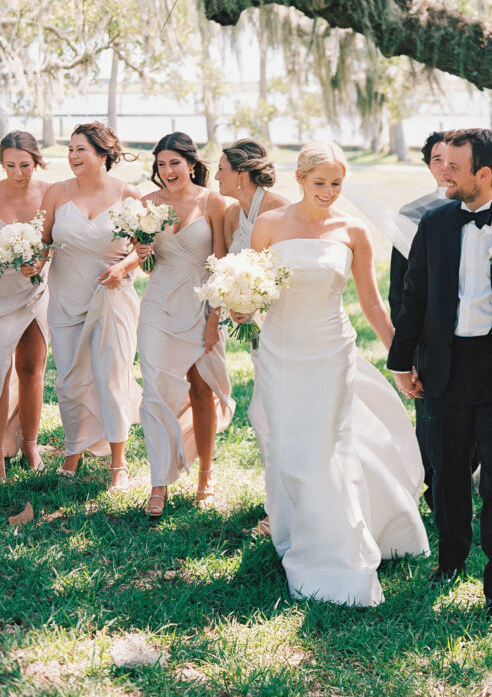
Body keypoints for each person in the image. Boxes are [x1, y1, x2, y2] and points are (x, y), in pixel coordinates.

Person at [239, 140, 429, 606]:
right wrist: (241, 308)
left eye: (337, 184)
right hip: (280, 350)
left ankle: (339, 550)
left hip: (330, 350)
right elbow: (252, 288)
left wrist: (399, 358)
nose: (328, 191)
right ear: (300, 179)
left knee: (328, 446)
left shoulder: (353, 231)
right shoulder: (269, 225)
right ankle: (292, 527)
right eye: (319, 183)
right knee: (286, 444)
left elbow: (371, 302)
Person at [388, 128, 492, 621]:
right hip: (444, 366)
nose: (444, 172)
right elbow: (414, 297)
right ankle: (451, 557)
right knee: (446, 471)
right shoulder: (435, 225)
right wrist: (402, 362)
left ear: (483, 175)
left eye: (455, 167)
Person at [136, 132, 232, 520]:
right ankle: (159, 481)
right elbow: (147, 267)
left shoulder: (213, 202)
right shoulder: (145, 205)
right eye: (161, 164)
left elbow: (222, 267)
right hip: (158, 306)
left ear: (191, 164)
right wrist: (141, 254)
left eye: (174, 162)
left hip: (200, 304)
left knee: (201, 390)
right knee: (156, 392)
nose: (168, 171)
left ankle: (205, 476)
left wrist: (214, 319)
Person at [41, 122, 142, 489]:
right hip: (66, 300)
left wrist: (123, 266)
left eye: (80, 149)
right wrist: (32, 262)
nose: (72, 156)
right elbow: (42, 241)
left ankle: (119, 463)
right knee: (69, 379)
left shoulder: (128, 195)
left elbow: (144, 250)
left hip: (112, 299)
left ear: (103, 154)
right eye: (70, 149)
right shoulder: (56, 192)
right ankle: (74, 450)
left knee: (111, 377)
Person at [215, 137, 289, 535]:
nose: (216, 176)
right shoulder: (232, 215)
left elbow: (290, 274)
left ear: (241, 174)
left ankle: (282, 507)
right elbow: (227, 269)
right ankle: (277, 498)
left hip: (284, 328)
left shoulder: (279, 210)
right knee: (265, 414)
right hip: (256, 332)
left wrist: (256, 304)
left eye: (222, 170)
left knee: (269, 414)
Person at [388, 130, 450, 509]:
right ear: (429, 166)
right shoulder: (410, 215)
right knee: (428, 414)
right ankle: (431, 486)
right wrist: (406, 347)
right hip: (427, 336)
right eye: (437, 160)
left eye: (453, 159)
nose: (446, 168)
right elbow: (400, 289)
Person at [0, 131, 49, 478]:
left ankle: (30, 443)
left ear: (36, 161)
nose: (18, 173)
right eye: (10, 165)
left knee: (32, 369)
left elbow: (55, 238)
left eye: (25, 165)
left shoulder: (50, 193)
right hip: (2, 293)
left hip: (37, 290)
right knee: (1, 372)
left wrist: (40, 262)